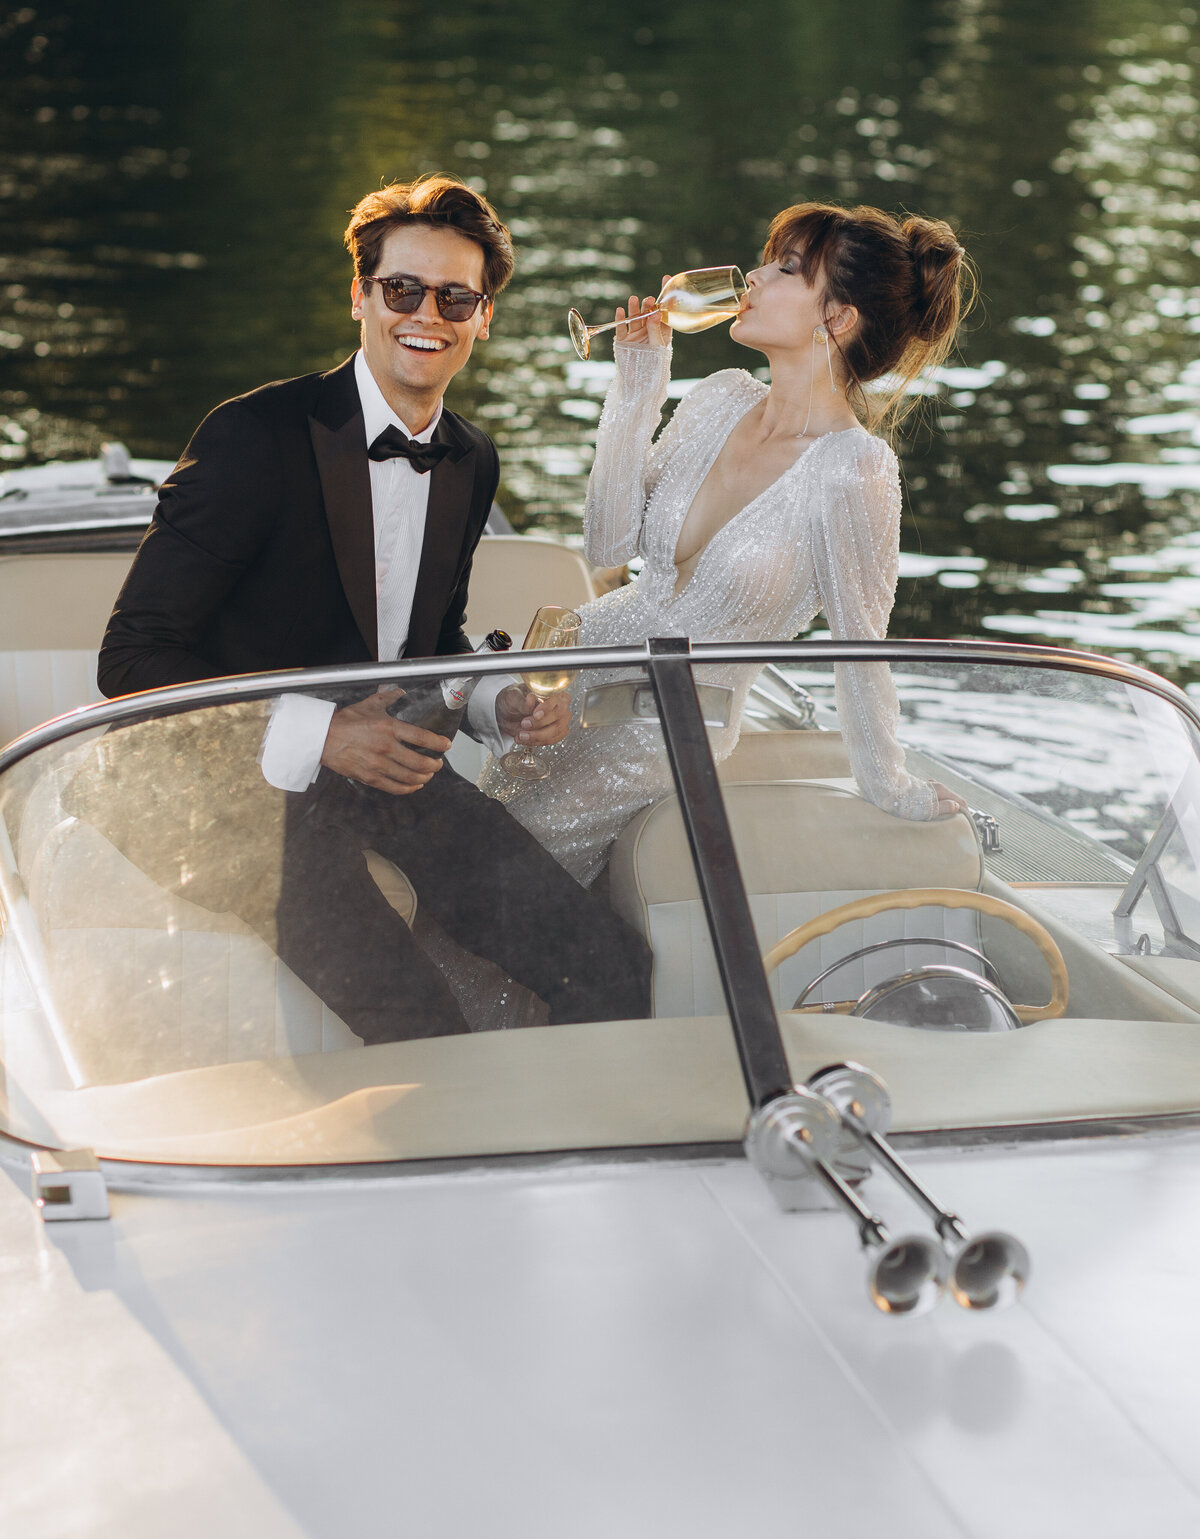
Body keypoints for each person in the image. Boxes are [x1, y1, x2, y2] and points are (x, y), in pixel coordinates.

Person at [97, 173, 650, 1041]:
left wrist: (491, 703)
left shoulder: (471, 459)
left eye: (455, 297)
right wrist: (325, 731)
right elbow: (132, 657)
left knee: (611, 964)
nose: (426, 314)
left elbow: (432, 642)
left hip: (393, 768)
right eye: (403, 289)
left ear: (482, 318)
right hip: (236, 780)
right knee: (418, 1019)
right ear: (361, 296)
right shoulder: (253, 436)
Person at [480, 201, 970, 887]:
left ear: (839, 318)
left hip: (669, 728)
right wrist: (636, 386)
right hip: (573, 663)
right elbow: (606, 543)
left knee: (498, 866)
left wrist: (888, 784)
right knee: (475, 826)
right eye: (767, 258)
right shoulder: (719, 397)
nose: (755, 278)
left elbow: (862, 647)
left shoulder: (852, 469)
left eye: (786, 268)